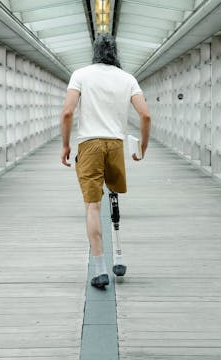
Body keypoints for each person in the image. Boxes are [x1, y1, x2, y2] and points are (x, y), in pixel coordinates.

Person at [60, 34, 151, 289]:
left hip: (89, 143)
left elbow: (67, 112)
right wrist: (143, 145)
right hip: (116, 144)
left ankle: (100, 270)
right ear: (115, 53)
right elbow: (145, 115)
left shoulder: (81, 75)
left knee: (92, 207)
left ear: (95, 52)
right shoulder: (127, 78)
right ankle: (119, 256)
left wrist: (66, 145)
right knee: (113, 195)